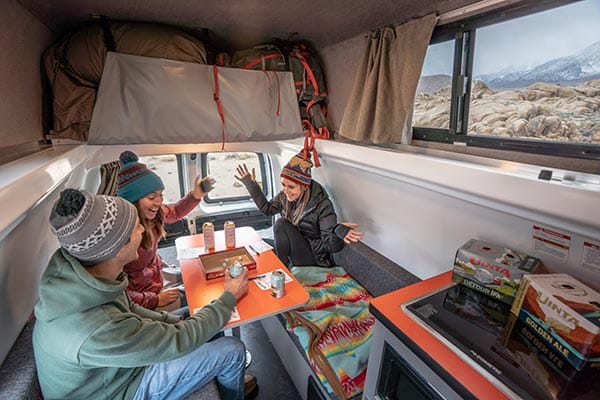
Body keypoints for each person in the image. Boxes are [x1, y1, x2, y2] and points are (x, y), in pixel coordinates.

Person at [33, 188, 257, 399]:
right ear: (117, 247)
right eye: (137, 227)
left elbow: (130, 310)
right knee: (232, 350)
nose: (143, 230)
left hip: (119, 368)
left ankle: (225, 377)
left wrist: (176, 320)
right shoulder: (94, 327)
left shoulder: (90, 279)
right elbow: (179, 339)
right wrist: (229, 296)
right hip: (120, 390)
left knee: (197, 312)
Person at [116, 150, 215, 318]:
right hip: (143, 298)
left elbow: (175, 211)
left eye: (160, 195)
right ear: (133, 200)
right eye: (151, 197)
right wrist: (155, 300)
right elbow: (118, 292)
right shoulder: (122, 236)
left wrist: (196, 195)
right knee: (203, 300)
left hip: (154, 277)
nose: (158, 202)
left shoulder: (155, 215)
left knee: (200, 278)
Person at [235, 152, 363, 267]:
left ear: (304, 186)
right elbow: (267, 209)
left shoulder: (322, 205)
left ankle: (282, 268)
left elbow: (331, 246)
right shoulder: (284, 196)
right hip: (293, 247)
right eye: (283, 184)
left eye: (291, 187)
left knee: (281, 224)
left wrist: (337, 231)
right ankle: (282, 262)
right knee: (260, 243)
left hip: (312, 256)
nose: (286, 190)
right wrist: (251, 185)